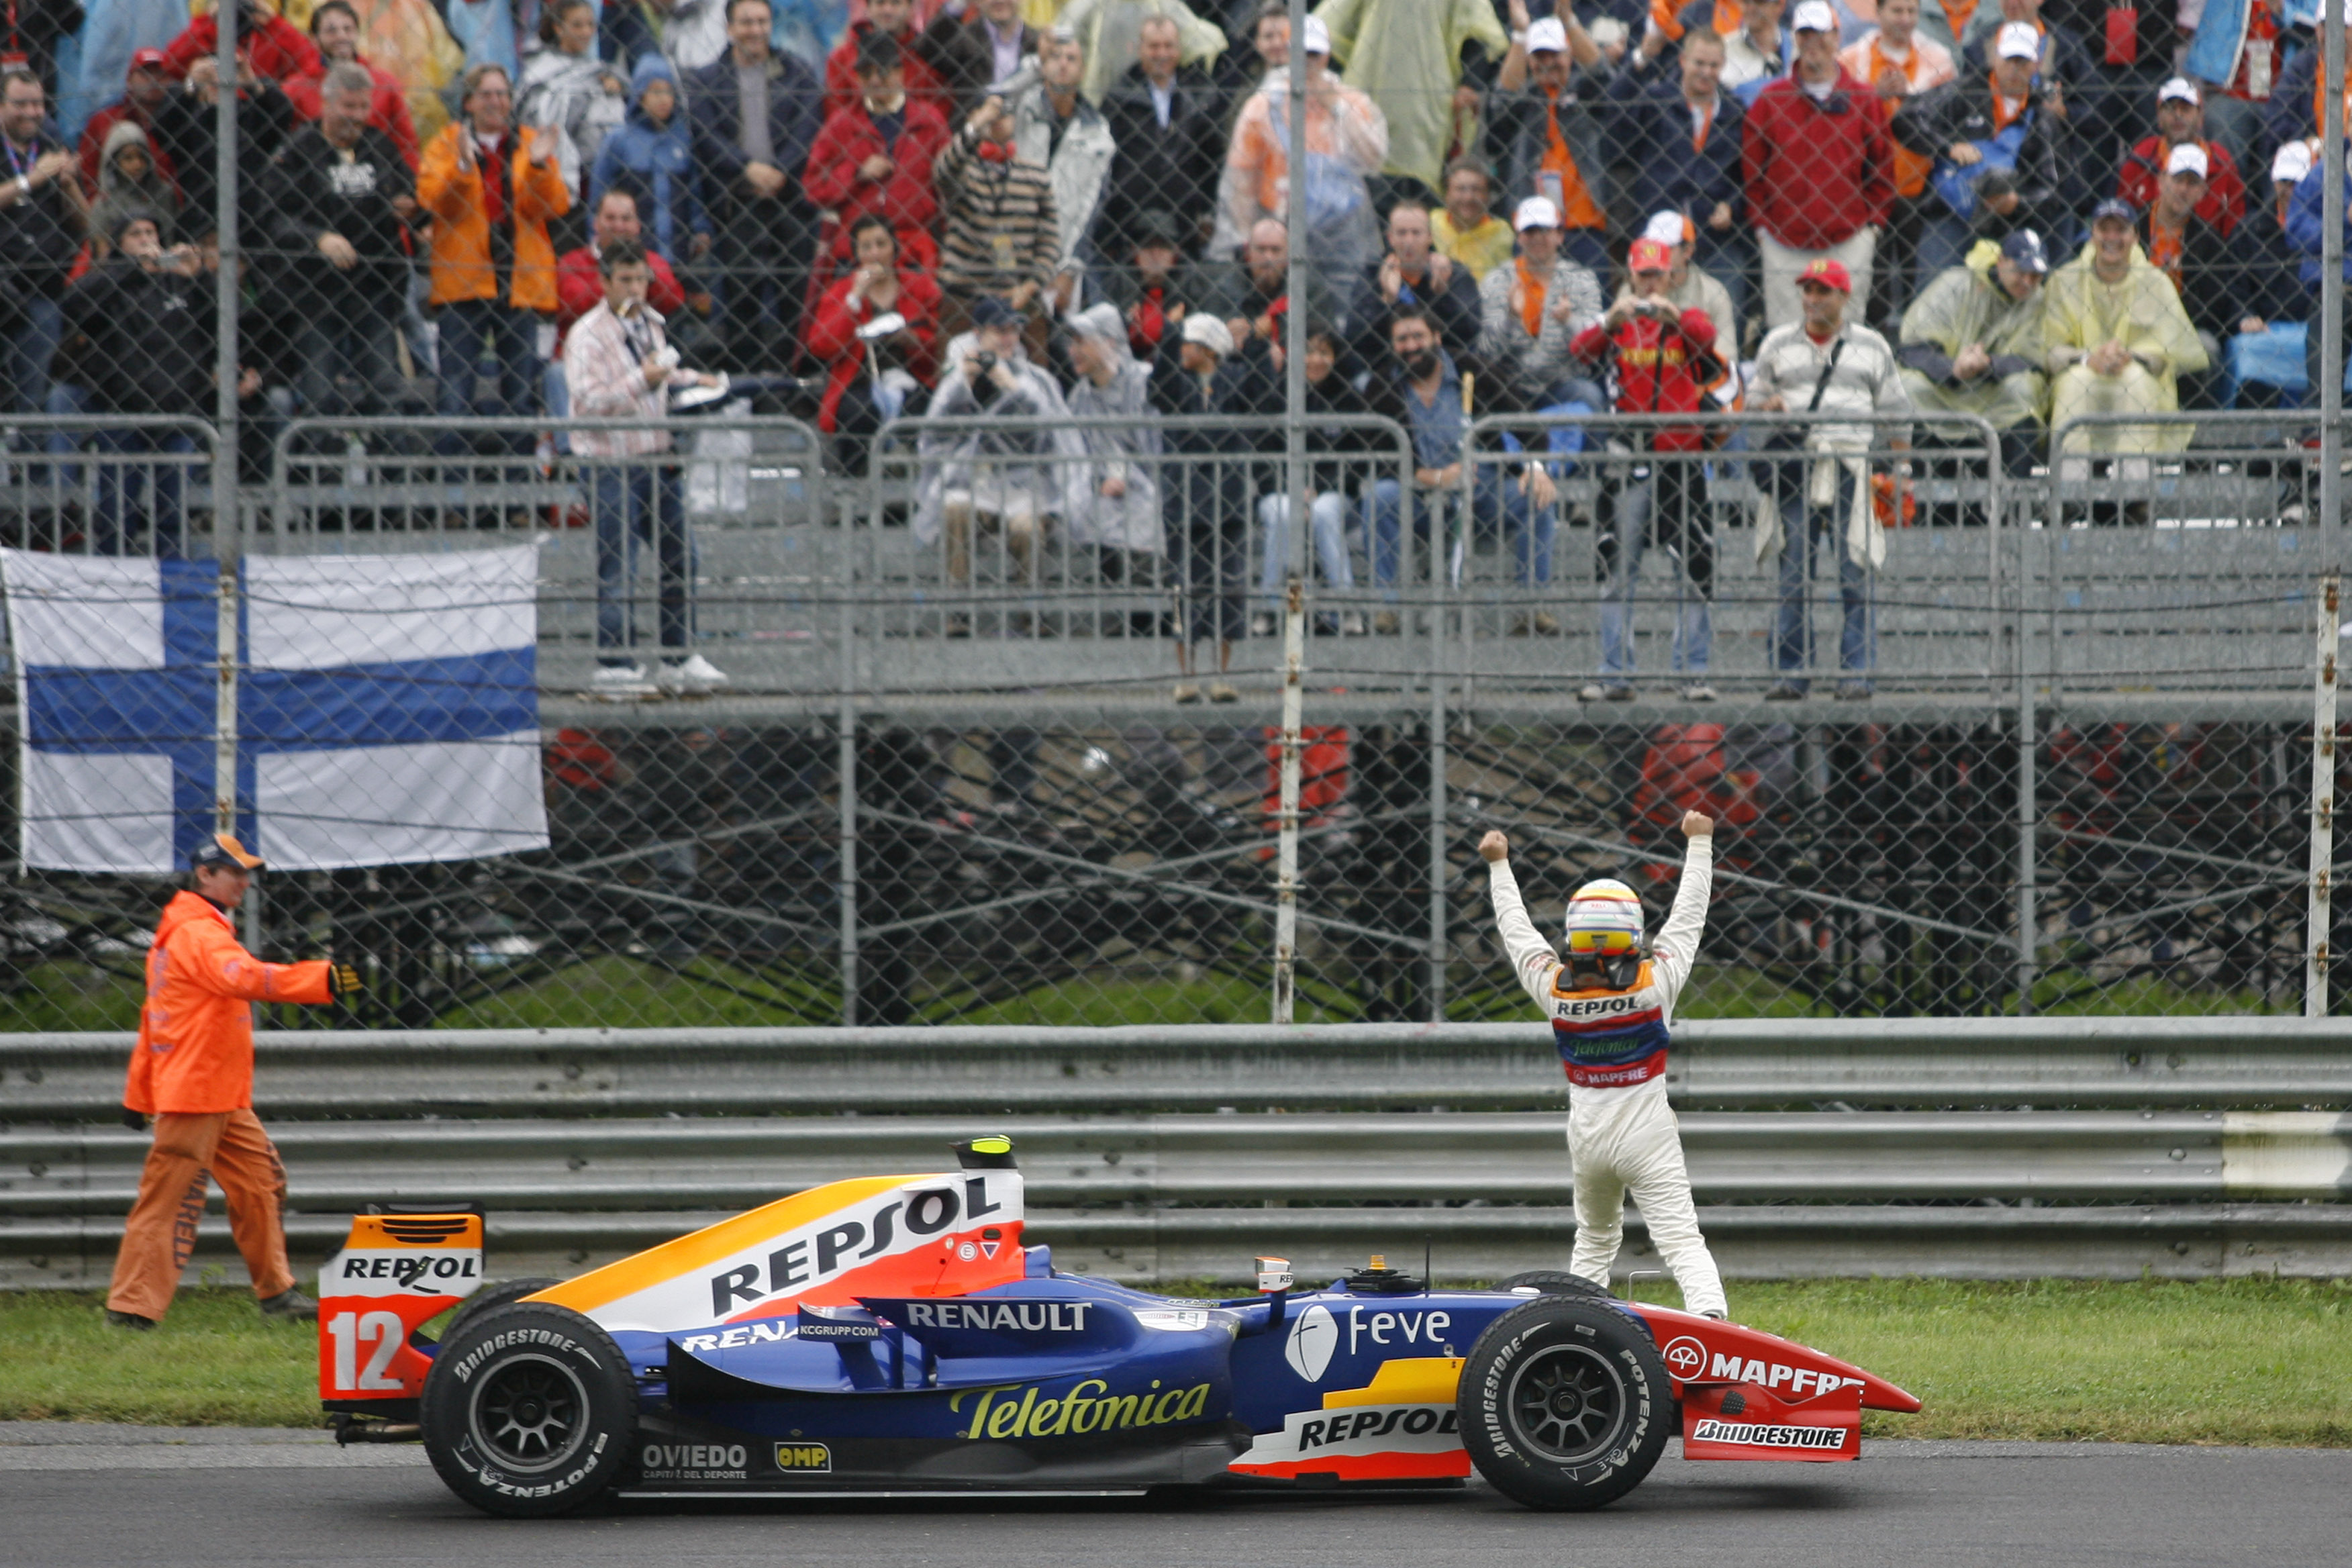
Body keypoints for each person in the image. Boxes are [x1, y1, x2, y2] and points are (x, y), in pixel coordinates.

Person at [1476, 813, 1728, 1320]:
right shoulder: (1657, 983)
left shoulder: (1553, 987)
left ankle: (1574, 1325)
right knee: (1681, 1241)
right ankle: (1713, 1328)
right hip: (1648, 1135)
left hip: (1586, 1137)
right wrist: (1699, 842)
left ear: (1573, 932)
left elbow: (1518, 934)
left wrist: (1498, 866)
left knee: (1593, 1241)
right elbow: (1689, 915)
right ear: (1632, 932)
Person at [106, 833, 360, 1330]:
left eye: (246, 872)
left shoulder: (189, 929)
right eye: (234, 872)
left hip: (218, 1096)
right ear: (205, 874)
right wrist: (321, 979)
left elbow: (153, 1020)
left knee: (261, 1186)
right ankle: (131, 1309)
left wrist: (138, 1095)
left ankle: (278, 1294)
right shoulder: (198, 933)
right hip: (198, 1095)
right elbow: (241, 978)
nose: (245, 882)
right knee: (169, 1203)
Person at [567, 238, 730, 697]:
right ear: (605, 282)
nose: (635, 289)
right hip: (609, 463)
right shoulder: (586, 335)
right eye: (625, 280)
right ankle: (614, 665)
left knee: (682, 557)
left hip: (657, 456)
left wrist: (696, 380)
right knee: (617, 565)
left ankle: (678, 658)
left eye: (641, 279)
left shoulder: (651, 324)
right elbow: (588, 401)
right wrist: (644, 380)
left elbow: (662, 374)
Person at [1571, 236, 1726, 703]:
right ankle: (1615, 671)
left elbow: (1707, 339)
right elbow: (1580, 352)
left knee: (1694, 566)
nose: (1650, 282)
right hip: (1628, 458)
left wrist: (1671, 314)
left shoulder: (1686, 317)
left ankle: (1692, 672)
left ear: (1671, 276)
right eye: (1642, 274)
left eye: (1658, 274)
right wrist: (1609, 320)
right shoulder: (1618, 323)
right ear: (1630, 276)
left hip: (1681, 457)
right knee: (1617, 565)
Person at [1749, 256, 1910, 701]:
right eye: (1808, 290)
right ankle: (1791, 672)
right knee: (1794, 574)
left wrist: (1903, 472)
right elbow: (1750, 402)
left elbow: (1897, 414)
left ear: (1844, 296)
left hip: (1851, 466)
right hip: (1797, 466)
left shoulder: (1872, 344)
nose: (1813, 299)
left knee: (1854, 572)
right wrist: (1769, 407)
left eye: (1823, 291)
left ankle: (1856, 673)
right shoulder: (1778, 342)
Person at [1367, 304, 1559, 632]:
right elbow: (1373, 447)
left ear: (1437, 337)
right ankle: (1387, 608)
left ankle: (1531, 608)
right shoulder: (1382, 385)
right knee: (1380, 496)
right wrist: (1429, 476)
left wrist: (1536, 467)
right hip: (1420, 496)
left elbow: (1528, 422)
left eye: (1418, 336)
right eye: (1402, 339)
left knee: (1537, 499)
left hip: (1482, 493)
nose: (1411, 346)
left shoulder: (1473, 370)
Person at [914, 294, 1087, 635]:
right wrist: (962, 384)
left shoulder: (1036, 380)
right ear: (979, 335)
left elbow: (1051, 436)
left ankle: (1030, 611)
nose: (1008, 339)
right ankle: (957, 609)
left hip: (1026, 486)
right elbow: (932, 437)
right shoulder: (958, 379)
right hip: (975, 483)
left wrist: (1012, 387)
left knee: (1026, 528)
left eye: (1014, 331)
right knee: (955, 510)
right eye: (999, 331)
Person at [420, 62, 571, 446]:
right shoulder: (445, 143)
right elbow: (435, 201)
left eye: (502, 94)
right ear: (468, 102)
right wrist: (463, 167)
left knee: (520, 395)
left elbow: (552, 206)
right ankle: (452, 497)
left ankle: (517, 494)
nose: (496, 102)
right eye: (486, 94)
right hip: (463, 285)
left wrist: (538, 166)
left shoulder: (530, 143)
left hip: (517, 283)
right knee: (455, 393)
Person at [262, 62, 419, 424]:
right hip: (315, 292)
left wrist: (409, 208)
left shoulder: (379, 146)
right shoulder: (298, 150)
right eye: (349, 107)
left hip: (374, 286)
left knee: (385, 387)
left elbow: (408, 190)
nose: (358, 116)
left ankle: (392, 474)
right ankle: (323, 472)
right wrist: (318, 238)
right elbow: (272, 217)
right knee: (320, 393)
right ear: (326, 103)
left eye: (364, 107)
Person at [62, 210, 222, 555]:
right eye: (136, 234)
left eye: (151, 231)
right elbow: (74, 304)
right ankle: (113, 575)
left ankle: (172, 582)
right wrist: (134, 269)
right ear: (120, 243)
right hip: (122, 410)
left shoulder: (179, 278)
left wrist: (199, 276)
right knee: (117, 511)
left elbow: (221, 323)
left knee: (173, 512)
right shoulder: (111, 280)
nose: (147, 239)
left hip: (177, 410)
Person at [687, 0, 824, 373]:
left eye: (762, 21)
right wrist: (747, 169)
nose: (755, 30)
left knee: (796, 292)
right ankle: (746, 383)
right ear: (730, 28)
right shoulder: (706, 81)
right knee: (741, 294)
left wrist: (779, 170)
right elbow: (707, 134)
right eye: (746, 22)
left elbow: (808, 126)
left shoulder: (798, 73)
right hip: (736, 203)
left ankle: (795, 380)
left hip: (791, 200)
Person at [1741, 0, 1894, 331]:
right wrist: (1763, 230)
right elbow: (1752, 175)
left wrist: (1872, 229)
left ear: (1837, 37)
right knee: (1787, 341)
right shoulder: (1770, 101)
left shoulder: (1865, 100)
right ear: (1795, 38)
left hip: (1848, 241)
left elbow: (1883, 171)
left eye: (1821, 34)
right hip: (1784, 244)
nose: (1814, 42)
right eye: (1805, 33)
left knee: (1844, 341)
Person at [1890, 20, 2067, 290]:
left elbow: (2053, 190)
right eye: (2009, 60)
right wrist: (1947, 147)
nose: (2014, 69)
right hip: (1949, 212)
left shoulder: (2042, 117)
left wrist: (2016, 202)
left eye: (2023, 61)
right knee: (1933, 294)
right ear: (1995, 56)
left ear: (2037, 63)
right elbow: (1906, 118)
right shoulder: (1963, 91)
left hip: (2010, 224)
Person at [1217, 15, 1385, 295]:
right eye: (1300, 53)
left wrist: (1335, 106)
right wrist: (1245, 236)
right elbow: (1240, 180)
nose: (1307, 62)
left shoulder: (1352, 102)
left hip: (1343, 229)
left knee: (1344, 301)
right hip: (1281, 222)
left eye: (1314, 54)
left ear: (1327, 56)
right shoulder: (1261, 107)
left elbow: (1374, 158)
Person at [1150, 309, 1269, 699]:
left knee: (1228, 587)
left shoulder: (1234, 380)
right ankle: (1187, 674)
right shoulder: (1176, 384)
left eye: (1188, 343)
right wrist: (1168, 334)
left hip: (1228, 499)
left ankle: (1223, 673)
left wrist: (1252, 343)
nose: (1182, 350)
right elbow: (1160, 383)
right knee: (1184, 586)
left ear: (1208, 350)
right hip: (1184, 500)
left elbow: (1264, 389)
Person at [2044, 197, 2206, 478]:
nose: (2112, 238)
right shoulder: (2064, 280)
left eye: (2121, 230)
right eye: (2104, 229)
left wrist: (2131, 357)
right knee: (2074, 384)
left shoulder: (2155, 281)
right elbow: (2050, 348)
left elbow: (2167, 354)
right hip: (2082, 370)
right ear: (2092, 234)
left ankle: (2134, 490)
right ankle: (2069, 488)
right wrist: (2087, 359)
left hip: (2136, 372)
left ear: (2135, 236)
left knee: (2135, 382)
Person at [1606, 26, 1751, 340]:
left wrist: (1732, 205)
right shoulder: (1655, 100)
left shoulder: (1736, 112)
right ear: (1683, 61)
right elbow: (1613, 131)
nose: (1706, 72)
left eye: (1714, 65)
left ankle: (1720, 380)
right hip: (1656, 236)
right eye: (1699, 63)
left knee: (1723, 322)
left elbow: (1750, 176)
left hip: (1715, 237)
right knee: (1652, 326)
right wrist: (1639, 63)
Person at [1312, 0, 1508, 209]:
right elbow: (1329, 24)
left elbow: (1475, 27)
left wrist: (1471, 81)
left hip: (1431, 105)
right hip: (1370, 98)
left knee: (1423, 204)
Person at [1838, 0, 1956, 333]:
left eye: (1911, 11)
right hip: (1864, 190)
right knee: (1871, 276)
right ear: (1878, 13)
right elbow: (1838, 116)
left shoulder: (1939, 59)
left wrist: (1910, 100)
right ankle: (1869, 335)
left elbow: (1950, 120)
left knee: (1913, 272)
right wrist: (1874, 95)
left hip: (1920, 188)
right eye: (1896, 11)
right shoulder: (1850, 59)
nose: (1905, 20)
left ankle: (1914, 335)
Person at [1897, 227, 2050, 477]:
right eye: (2021, 271)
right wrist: (1952, 368)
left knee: (2025, 389)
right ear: (2001, 261)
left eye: (2036, 276)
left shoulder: (2038, 299)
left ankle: (2013, 502)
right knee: (1910, 385)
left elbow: (2033, 359)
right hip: (1944, 384)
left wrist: (1988, 364)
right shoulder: (1957, 282)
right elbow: (1913, 348)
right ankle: (1924, 503)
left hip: (1995, 389)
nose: (2028, 282)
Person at [1251, 322, 1372, 636]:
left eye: (1323, 352)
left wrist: (1318, 490)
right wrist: (1292, 490)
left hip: (1333, 493)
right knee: (1281, 513)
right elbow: (1262, 459)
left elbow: (1356, 461)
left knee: (1323, 512)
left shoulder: (1348, 398)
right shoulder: (1275, 395)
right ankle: (1270, 608)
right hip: (1279, 491)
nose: (1315, 360)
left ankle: (1343, 608)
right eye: (1307, 351)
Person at [805, 28, 950, 273]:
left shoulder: (929, 121)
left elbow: (951, 183)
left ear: (900, 73)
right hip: (856, 249)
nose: (874, 81)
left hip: (913, 247)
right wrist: (856, 174)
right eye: (865, 73)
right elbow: (814, 185)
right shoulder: (841, 124)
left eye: (881, 72)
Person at [807, 212, 940, 462]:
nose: (875, 253)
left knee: (920, 406)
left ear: (894, 248)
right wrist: (855, 298)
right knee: (858, 412)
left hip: (914, 376)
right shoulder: (842, 290)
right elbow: (821, 345)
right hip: (859, 380)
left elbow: (938, 341)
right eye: (866, 247)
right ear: (856, 254)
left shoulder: (921, 286)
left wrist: (912, 340)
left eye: (881, 244)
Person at [1061, 301, 1165, 618]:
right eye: (1072, 342)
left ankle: (1148, 610)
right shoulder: (1079, 397)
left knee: (1146, 508)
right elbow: (1076, 453)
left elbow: (1158, 446)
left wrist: (1127, 474)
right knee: (1085, 506)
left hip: (1152, 480)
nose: (1073, 351)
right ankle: (1115, 607)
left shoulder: (1144, 382)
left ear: (1109, 342)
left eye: (1082, 341)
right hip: (1101, 485)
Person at [934, 85, 1061, 337]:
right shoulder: (965, 170)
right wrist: (976, 126)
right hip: (964, 296)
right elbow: (943, 171)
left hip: (1018, 296)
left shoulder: (1035, 175)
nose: (998, 121)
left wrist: (1031, 285)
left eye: (1004, 115)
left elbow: (1049, 240)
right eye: (992, 115)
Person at [0, 67, 87, 436]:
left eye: (38, 104)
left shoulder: (51, 146)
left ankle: (31, 480)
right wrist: (31, 180)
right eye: (22, 104)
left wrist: (67, 185)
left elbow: (87, 227)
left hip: (43, 290)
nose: (33, 112)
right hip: (4, 285)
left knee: (34, 389)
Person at [1491, 13, 1612, 274]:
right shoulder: (1525, 100)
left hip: (1584, 224)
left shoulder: (1586, 93)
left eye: (1554, 54)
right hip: (1532, 227)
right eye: (1539, 56)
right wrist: (1521, 34)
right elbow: (1499, 107)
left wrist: (1569, 19)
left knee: (1591, 308)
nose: (1547, 63)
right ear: (1528, 60)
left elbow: (1603, 75)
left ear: (1569, 54)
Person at [1099, 11, 1220, 260]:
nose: (1161, 54)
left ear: (1179, 50)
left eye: (1168, 46)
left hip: (1185, 219)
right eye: (1154, 46)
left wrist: (1207, 211)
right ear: (1139, 49)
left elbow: (1213, 158)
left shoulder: (1201, 96)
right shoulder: (1119, 97)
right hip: (1129, 219)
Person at [1013, 28, 1116, 319]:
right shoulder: (1021, 111)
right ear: (1042, 64)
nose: (1063, 64)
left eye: (1072, 58)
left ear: (1082, 70)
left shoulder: (1099, 135)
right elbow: (995, 96)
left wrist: (1071, 269)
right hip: (1012, 244)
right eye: (1055, 56)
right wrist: (1031, 67)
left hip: (1062, 251)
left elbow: (1092, 209)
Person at [1475, 195, 1603, 409]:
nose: (1537, 238)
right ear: (1519, 237)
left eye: (1545, 230)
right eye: (1529, 231)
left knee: (1590, 395)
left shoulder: (1582, 279)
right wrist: (1511, 319)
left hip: (1563, 385)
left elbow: (1595, 351)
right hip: (1509, 387)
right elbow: (1486, 353)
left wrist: (1569, 320)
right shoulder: (1497, 280)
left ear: (1560, 236)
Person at [2137, 143, 2238, 408]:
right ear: (2160, 181)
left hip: (2185, 329)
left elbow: (2213, 306)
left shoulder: (2210, 241)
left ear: (2203, 191)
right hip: (2134, 324)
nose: (2183, 189)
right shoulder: (2132, 228)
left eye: (2192, 183)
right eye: (2177, 179)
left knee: (2209, 347)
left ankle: (2198, 428)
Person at [592, 56, 707, 266]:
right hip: (631, 255)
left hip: (678, 253)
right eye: (655, 92)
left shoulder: (683, 139)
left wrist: (701, 229)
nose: (664, 99)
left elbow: (695, 193)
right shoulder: (619, 140)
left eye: (668, 91)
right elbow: (598, 195)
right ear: (640, 95)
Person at [285, 0, 422, 173]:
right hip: (316, 179)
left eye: (348, 29)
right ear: (314, 38)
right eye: (331, 31)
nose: (341, 36)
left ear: (357, 34)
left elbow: (405, 142)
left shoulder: (385, 84)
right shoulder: (296, 88)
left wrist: (409, 186)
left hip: (378, 177)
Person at [1348, 199, 1482, 368]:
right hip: (1386, 367)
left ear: (1429, 237)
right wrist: (1386, 301)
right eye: (1401, 233)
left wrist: (1441, 294)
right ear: (1390, 238)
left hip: (1443, 365)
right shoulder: (1373, 271)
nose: (1409, 241)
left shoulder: (1452, 272)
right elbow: (1355, 337)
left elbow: (1470, 331)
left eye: (1416, 233)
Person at [513, 0, 626, 192]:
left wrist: (618, 85)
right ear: (558, 28)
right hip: (550, 171)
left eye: (591, 25)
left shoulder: (600, 71)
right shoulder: (539, 72)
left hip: (597, 173)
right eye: (577, 25)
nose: (586, 32)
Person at [2116, 77, 2244, 239]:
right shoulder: (2140, 159)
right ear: (2159, 118)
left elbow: (2235, 224)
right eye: (2170, 108)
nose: (2177, 115)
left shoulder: (2221, 162)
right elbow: (2122, 220)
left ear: (2200, 117)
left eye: (2186, 109)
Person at [1197, 217, 1338, 357]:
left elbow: (1324, 338)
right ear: (1248, 253)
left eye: (1276, 250)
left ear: (1288, 254)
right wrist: (1227, 335)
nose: (1268, 257)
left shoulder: (1310, 289)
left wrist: (1275, 328)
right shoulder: (1225, 289)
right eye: (1261, 249)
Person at [78, 46, 176, 193]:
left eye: (161, 74)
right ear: (129, 80)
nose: (153, 80)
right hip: (112, 209)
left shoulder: (178, 121)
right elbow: (87, 173)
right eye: (145, 73)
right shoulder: (104, 121)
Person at [824, 0, 946, 114]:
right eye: (880, 3)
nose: (887, 10)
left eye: (895, 3)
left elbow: (939, 110)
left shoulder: (927, 54)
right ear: (867, 8)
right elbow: (835, 111)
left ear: (910, 8)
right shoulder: (841, 57)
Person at [86, 120, 179, 253]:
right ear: (114, 162)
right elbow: (103, 255)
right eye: (128, 158)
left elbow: (171, 240)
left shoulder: (164, 194)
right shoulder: (104, 204)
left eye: (141, 157)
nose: (137, 164)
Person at [1432, 156, 1513, 282]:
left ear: (1487, 196)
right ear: (1447, 194)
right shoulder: (1432, 223)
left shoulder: (1501, 233)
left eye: (1477, 190)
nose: (1468, 198)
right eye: (1460, 189)